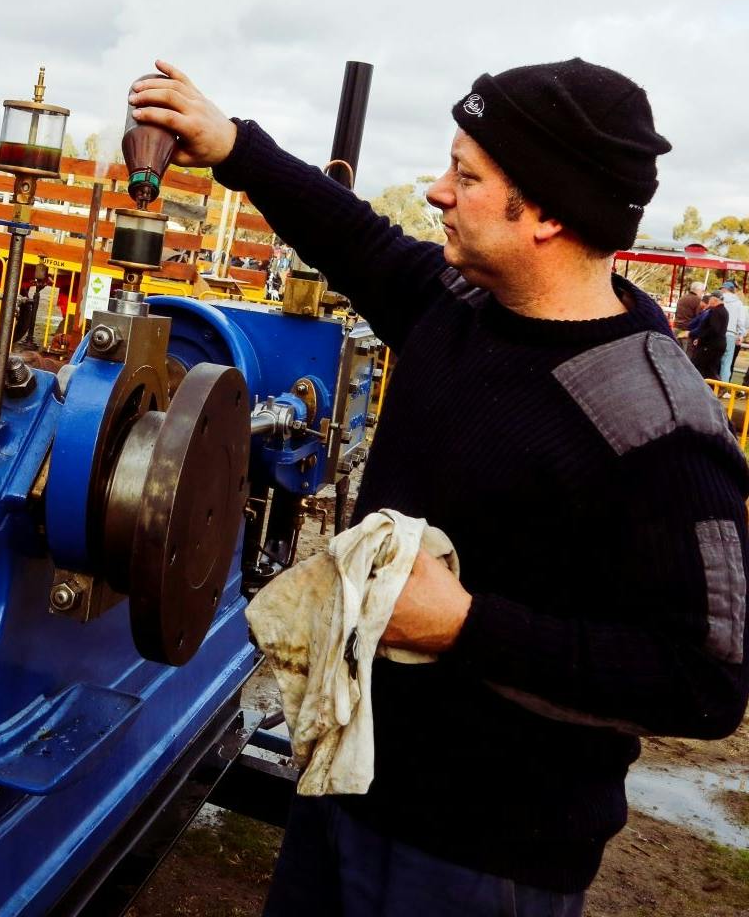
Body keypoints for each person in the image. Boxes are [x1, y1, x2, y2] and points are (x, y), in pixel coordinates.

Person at [130, 57, 749, 917]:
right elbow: (354, 237)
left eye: (466, 175)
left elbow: (704, 681)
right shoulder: (453, 305)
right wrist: (231, 144)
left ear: (549, 212)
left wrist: (466, 627)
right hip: (345, 785)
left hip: (486, 863)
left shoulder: (658, 426)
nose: (436, 192)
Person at [689, 291, 729, 380]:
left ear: (714, 300)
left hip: (710, 345)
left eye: (710, 299)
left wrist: (697, 335)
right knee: (710, 369)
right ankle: (718, 388)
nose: (709, 301)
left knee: (700, 366)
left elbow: (712, 329)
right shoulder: (724, 311)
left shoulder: (715, 311)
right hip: (717, 344)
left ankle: (720, 388)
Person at [720, 280, 745, 382]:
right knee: (726, 362)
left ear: (725, 289)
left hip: (719, 333)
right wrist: (740, 334)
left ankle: (711, 385)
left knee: (716, 360)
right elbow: (741, 321)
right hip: (730, 334)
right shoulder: (739, 303)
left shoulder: (720, 299)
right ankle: (723, 387)